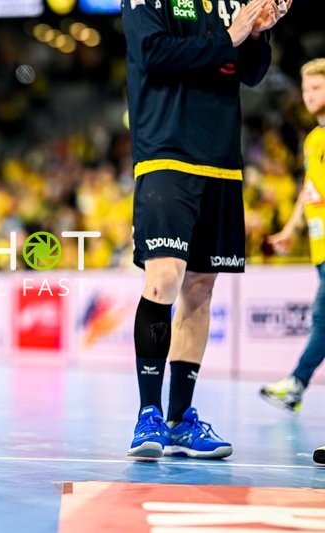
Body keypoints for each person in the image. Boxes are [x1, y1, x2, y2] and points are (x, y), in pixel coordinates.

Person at [122, 0, 289, 459]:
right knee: (163, 279)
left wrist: (257, 33)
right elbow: (153, 53)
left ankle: (180, 419)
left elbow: (251, 73)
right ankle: (148, 415)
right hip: (165, 154)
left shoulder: (232, 2)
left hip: (221, 161)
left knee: (200, 289)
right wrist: (230, 36)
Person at [258, 58, 325, 462]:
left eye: (318, 88)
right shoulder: (313, 140)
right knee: (322, 320)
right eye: (307, 89)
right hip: (320, 248)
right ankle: (296, 385)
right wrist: (291, 228)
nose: (310, 95)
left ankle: (296, 383)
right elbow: (309, 189)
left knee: (323, 320)